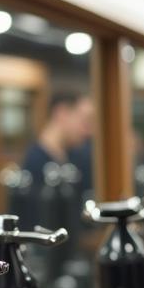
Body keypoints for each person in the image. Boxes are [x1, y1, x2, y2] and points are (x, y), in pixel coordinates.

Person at [20, 90, 94, 227]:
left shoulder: (74, 158)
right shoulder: (35, 163)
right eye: (85, 121)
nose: (89, 131)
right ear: (62, 113)